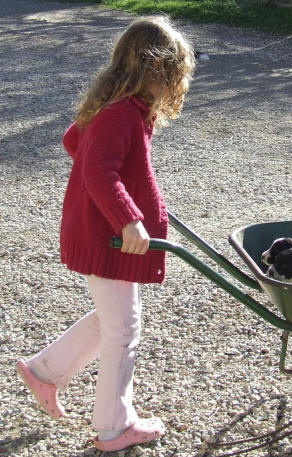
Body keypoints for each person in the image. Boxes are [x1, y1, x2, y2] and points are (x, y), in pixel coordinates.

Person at [15, 15, 195, 453]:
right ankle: (115, 426)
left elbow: (74, 141)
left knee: (113, 318)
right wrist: (128, 218)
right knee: (124, 329)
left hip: (107, 234)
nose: (175, 87)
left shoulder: (116, 107)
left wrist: (128, 205)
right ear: (159, 72)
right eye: (175, 77)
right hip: (110, 237)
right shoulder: (120, 113)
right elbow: (97, 167)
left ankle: (45, 370)